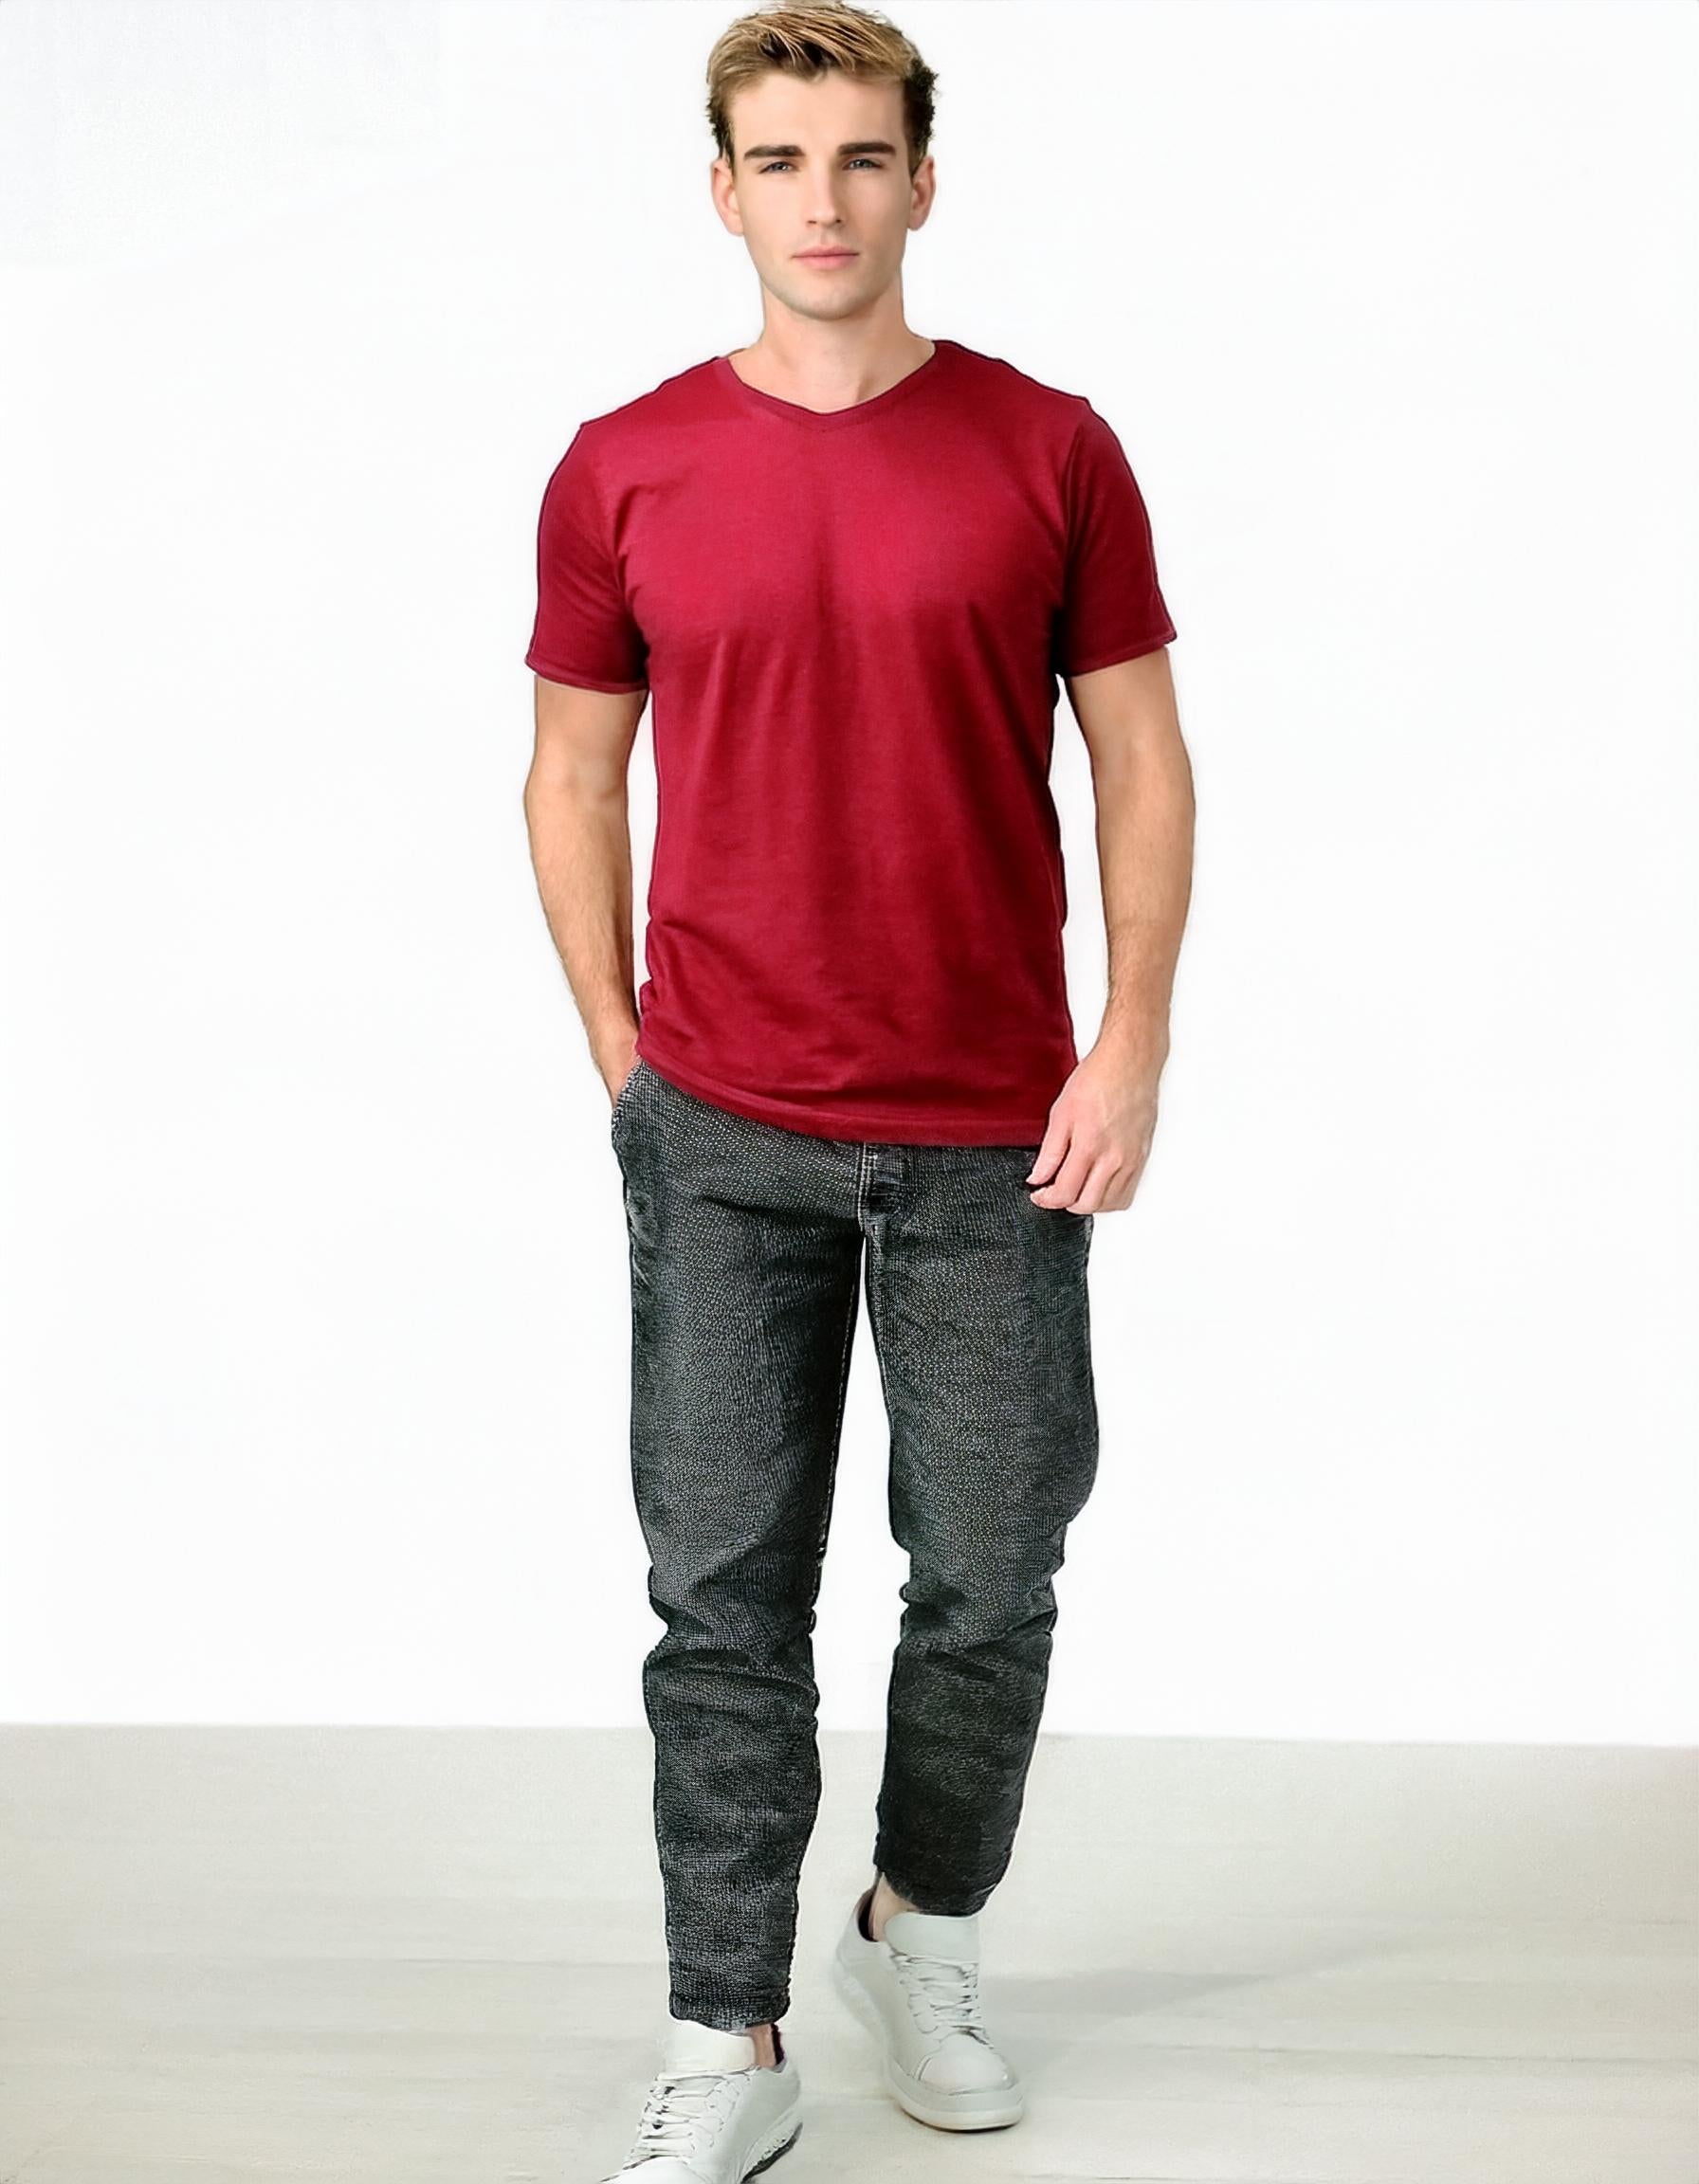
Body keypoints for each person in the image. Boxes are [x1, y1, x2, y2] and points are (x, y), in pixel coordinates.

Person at [522, 4, 1193, 2175]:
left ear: (920, 180)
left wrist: (1129, 1037)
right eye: (781, 160)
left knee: (990, 1567)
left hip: (995, 1122)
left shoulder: (1047, 449)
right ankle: (725, 2036)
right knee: (720, 1594)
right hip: (720, 1126)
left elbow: (1139, 757)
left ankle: (919, 1928)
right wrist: (621, 1049)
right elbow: (570, 773)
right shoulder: (621, 465)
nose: (822, 200)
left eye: (860, 157)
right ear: (720, 191)